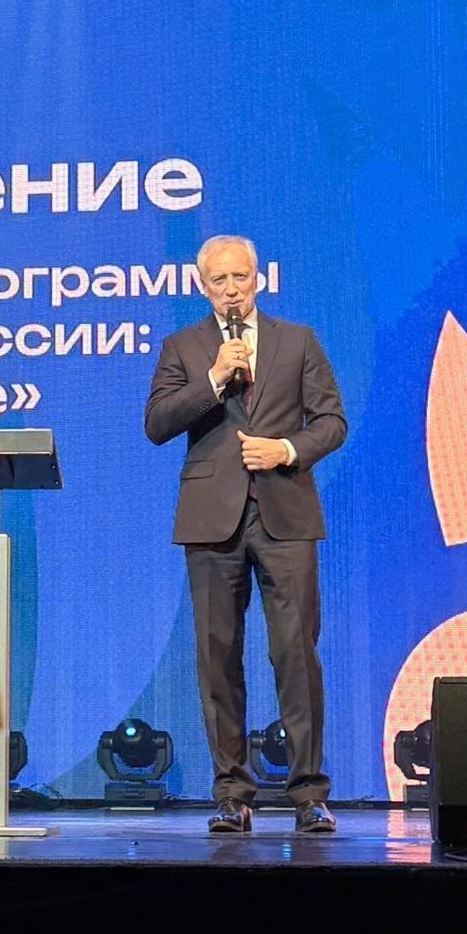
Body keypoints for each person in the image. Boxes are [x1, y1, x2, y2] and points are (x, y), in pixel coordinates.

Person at [144, 234, 347, 833]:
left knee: (295, 652)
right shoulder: (184, 347)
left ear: (258, 279)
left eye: (241, 278)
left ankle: (309, 793)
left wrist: (286, 448)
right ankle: (233, 793)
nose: (232, 290)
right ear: (202, 286)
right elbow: (157, 423)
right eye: (220, 281)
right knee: (218, 655)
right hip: (212, 518)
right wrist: (212, 380)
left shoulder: (298, 340)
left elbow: (332, 421)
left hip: (286, 512)